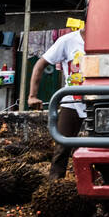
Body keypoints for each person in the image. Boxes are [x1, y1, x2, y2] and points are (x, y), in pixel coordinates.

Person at [27, 27, 85, 180]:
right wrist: (32, 96)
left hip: (99, 101)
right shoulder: (68, 41)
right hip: (72, 101)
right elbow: (40, 65)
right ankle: (54, 185)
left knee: (103, 146)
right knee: (62, 146)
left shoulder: (107, 38)